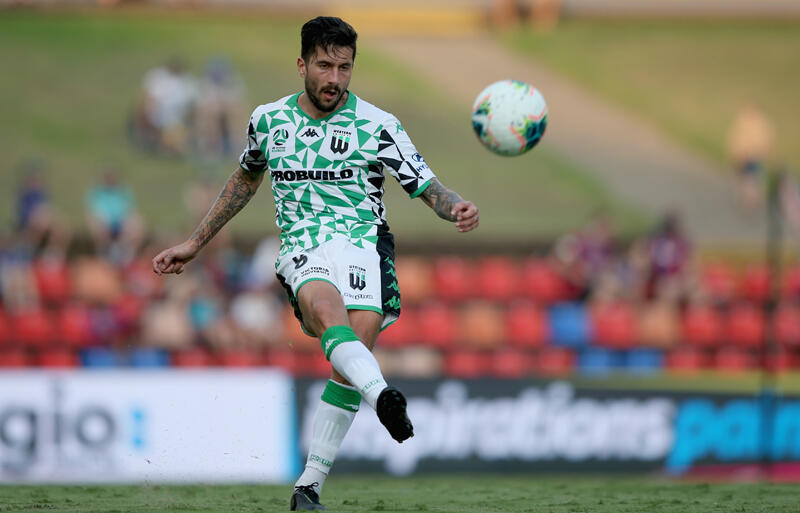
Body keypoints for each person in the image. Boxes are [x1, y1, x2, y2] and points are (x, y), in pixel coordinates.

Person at [151, 16, 479, 511]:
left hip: (363, 243)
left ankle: (308, 488)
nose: (334, 78)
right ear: (302, 64)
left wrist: (455, 208)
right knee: (328, 312)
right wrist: (196, 242)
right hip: (303, 244)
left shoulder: (378, 125)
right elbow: (244, 180)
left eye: (344, 68)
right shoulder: (268, 121)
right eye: (325, 66)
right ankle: (383, 396)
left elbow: (428, 186)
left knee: (350, 362)